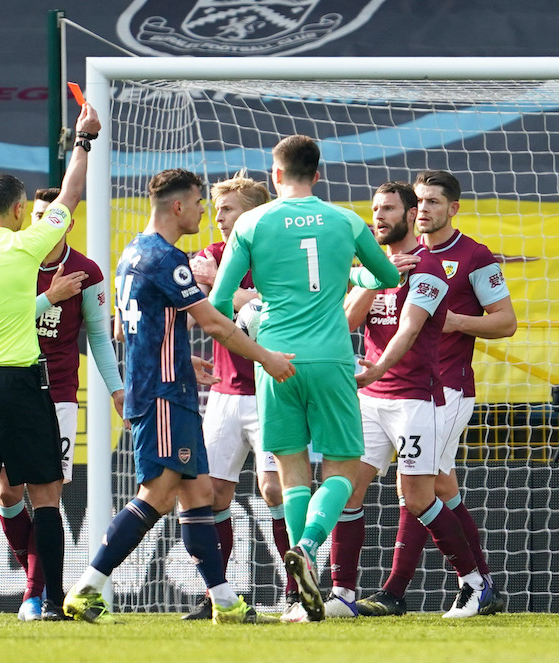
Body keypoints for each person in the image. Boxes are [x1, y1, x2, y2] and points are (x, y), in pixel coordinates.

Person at [62, 167, 296, 626]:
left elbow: (129, 327)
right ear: (177, 206)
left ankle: (225, 603)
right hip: (163, 396)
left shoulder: (132, 252)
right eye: (199, 204)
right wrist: (265, 357)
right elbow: (213, 323)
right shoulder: (166, 258)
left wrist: (179, 357)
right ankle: (87, 588)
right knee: (159, 494)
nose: (204, 212)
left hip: (171, 385)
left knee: (200, 494)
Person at [209, 135, 400, 623]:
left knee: (291, 471)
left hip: (275, 360)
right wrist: (350, 278)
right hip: (333, 358)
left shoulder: (252, 222)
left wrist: (258, 320)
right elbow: (387, 277)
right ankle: (311, 548)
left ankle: (300, 588)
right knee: (343, 465)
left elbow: (221, 300)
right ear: (317, 174)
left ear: (275, 175)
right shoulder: (345, 220)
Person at [0, 103, 102, 622]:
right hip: (22, 384)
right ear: (20, 209)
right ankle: (51, 602)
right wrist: (84, 140)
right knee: (47, 495)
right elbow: (70, 195)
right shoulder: (26, 247)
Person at [324, 181, 494, 621]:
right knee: (347, 489)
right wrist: (376, 274)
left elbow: (409, 330)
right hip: (369, 399)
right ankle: (342, 593)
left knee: (418, 497)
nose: (378, 217)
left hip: (418, 398)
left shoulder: (430, 270)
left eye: (388, 209)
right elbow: (346, 319)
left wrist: (377, 369)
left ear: (410, 213)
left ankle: (475, 584)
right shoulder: (374, 266)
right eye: (374, 209)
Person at [356, 170, 515, 617]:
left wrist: (456, 320)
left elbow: (506, 322)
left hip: (446, 388)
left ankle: (397, 590)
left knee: (423, 487)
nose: (423, 209)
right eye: (418, 202)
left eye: (433, 202)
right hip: (395, 389)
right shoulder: (394, 258)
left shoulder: (474, 256)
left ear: (453, 208)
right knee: (437, 485)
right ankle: (481, 584)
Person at [0, 186, 126, 621]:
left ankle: (34, 596)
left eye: (50, 216)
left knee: (47, 494)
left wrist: (118, 390)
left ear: (68, 222)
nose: (41, 223)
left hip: (59, 397)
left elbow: (101, 341)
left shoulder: (86, 271)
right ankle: (42, 583)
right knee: (8, 491)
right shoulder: (15, 261)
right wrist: (49, 297)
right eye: (35, 215)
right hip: (11, 390)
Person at [183, 170, 296, 620]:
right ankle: (219, 594)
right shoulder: (209, 255)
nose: (219, 218)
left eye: (227, 210)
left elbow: (284, 303)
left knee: (274, 490)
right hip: (226, 395)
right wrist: (208, 288)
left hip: (275, 390)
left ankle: (295, 590)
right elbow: (194, 318)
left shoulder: (279, 254)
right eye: (216, 210)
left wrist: (222, 289)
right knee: (211, 494)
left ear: (252, 214)